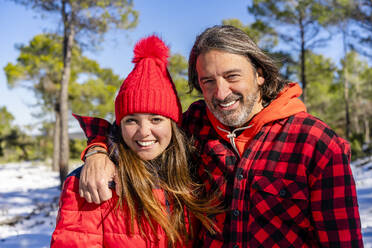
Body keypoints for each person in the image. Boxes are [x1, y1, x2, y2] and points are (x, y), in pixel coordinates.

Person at [76, 25, 364, 247]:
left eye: (232, 76)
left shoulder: (315, 142)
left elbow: (343, 240)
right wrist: (98, 151)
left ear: (260, 73)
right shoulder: (196, 124)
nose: (221, 93)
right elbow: (134, 130)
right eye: (208, 82)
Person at [51, 35, 218, 247]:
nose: (143, 132)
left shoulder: (192, 173)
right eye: (131, 120)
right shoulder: (93, 182)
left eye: (156, 119)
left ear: (173, 124)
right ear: (119, 124)